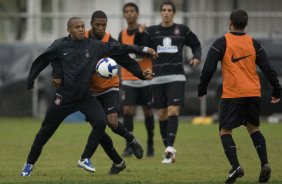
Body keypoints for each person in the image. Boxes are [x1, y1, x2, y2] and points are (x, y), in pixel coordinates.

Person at [20, 17, 157, 176]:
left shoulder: (93, 45)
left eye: (82, 26)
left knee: (100, 122)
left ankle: (85, 158)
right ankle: (29, 164)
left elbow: (120, 48)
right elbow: (44, 59)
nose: (80, 29)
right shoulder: (60, 44)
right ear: (69, 30)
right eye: (77, 27)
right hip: (64, 97)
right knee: (45, 132)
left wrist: (143, 49)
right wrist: (31, 80)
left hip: (85, 97)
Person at [198, 9, 281, 184]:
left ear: (230, 23)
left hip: (232, 94)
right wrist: (277, 89)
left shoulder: (222, 42)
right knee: (254, 128)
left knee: (224, 131)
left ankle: (236, 166)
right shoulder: (253, 43)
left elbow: (208, 68)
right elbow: (268, 68)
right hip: (252, 93)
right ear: (246, 24)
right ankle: (264, 163)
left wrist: (202, 89)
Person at [134, 1, 201, 163]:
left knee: (173, 110)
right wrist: (140, 34)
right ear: (160, 13)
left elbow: (196, 44)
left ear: (174, 13)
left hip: (176, 77)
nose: (166, 13)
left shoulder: (182, 30)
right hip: (157, 79)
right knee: (162, 114)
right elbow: (139, 51)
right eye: (163, 10)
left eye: (169, 10)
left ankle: (170, 147)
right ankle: (168, 151)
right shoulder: (152, 31)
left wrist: (196, 57)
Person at [119, 2, 155, 157]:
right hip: (128, 78)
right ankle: (129, 145)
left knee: (147, 111)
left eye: (132, 11)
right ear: (124, 14)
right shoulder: (122, 34)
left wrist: (141, 37)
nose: (129, 14)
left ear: (137, 13)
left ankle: (150, 144)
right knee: (128, 110)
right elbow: (120, 54)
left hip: (145, 79)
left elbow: (150, 52)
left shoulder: (146, 31)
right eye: (126, 11)